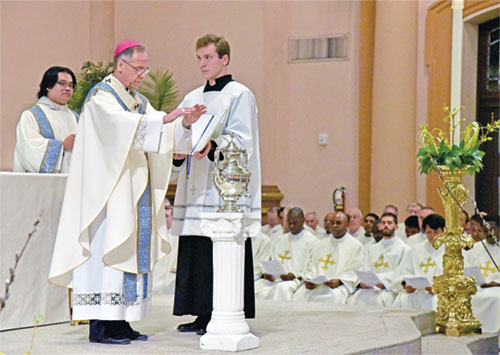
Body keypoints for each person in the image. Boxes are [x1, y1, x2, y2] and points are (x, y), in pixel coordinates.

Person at [49, 40, 205, 344]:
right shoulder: (101, 97)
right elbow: (120, 127)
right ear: (121, 65)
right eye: (139, 68)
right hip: (108, 196)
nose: (143, 75)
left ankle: (122, 322)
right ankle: (102, 326)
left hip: (133, 193)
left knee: (129, 254)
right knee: (109, 253)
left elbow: (159, 128)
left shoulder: (137, 101)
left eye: (146, 69)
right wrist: (164, 119)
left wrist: (183, 124)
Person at [172, 34, 260, 335]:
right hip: (195, 181)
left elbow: (243, 139)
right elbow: (178, 131)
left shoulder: (239, 95)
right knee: (196, 247)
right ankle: (200, 312)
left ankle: (221, 311)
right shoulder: (192, 96)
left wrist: (213, 144)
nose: (202, 64)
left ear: (224, 59)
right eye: (198, 58)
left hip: (222, 186)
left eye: (208, 57)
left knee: (217, 246)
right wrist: (181, 143)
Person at [13, 66, 79, 173]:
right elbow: (29, 150)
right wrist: (62, 146)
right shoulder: (32, 115)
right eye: (62, 83)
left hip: (72, 181)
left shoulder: (76, 118)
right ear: (48, 86)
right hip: (42, 185)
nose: (67, 88)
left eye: (71, 85)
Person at [293, 211, 365, 303]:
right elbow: (312, 265)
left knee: (333, 297)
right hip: (317, 285)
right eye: (332, 223)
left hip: (339, 286)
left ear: (347, 225)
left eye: (338, 223)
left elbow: (356, 269)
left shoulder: (356, 246)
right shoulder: (321, 243)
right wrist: (309, 279)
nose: (334, 226)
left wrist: (340, 281)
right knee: (299, 294)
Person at [347, 212, 412, 307]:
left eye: (389, 223)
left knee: (377, 302)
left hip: (388, 289)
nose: (386, 225)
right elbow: (364, 268)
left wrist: (385, 283)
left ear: (396, 227)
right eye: (383, 223)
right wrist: (363, 282)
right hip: (369, 287)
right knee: (352, 301)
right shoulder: (372, 248)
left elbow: (402, 273)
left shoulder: (404, 249)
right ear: (380, 226)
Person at [254, 207, 318, 300]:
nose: (291, 226)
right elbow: (268, 260)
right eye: (289, 222)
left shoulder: (312, 241)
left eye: (294, 223)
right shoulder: (279, 240)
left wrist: (296, 276)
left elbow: (312, 266)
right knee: (255, 287)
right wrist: (266, 273)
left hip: (295, 281)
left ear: (303, 220)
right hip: (275, 279)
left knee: (282, 288)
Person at [394, 214, 445, 310]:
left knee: (434, 301)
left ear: (443, 231)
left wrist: (437, 288)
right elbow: (403, 272)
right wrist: (406, 285)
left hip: (437, 294)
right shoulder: (416, 249)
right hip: (416, 292)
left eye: (436, 231)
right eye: (429, 232)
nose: (432, 235)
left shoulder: (450, 251)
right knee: (402, 299)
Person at [465, 215, 500, 333]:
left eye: (492, 229)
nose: (489, 233)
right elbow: (467, 267)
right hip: (479, 287)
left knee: (495, 299)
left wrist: (497, 283)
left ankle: (494, 333)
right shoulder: (476, 247)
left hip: (497, 289)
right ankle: (474, 330)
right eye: (485, 230)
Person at [152, 201, 178, 294]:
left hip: (170, 282)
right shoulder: (152, 236)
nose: (164, 219)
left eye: (166, 216)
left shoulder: (178, 236)